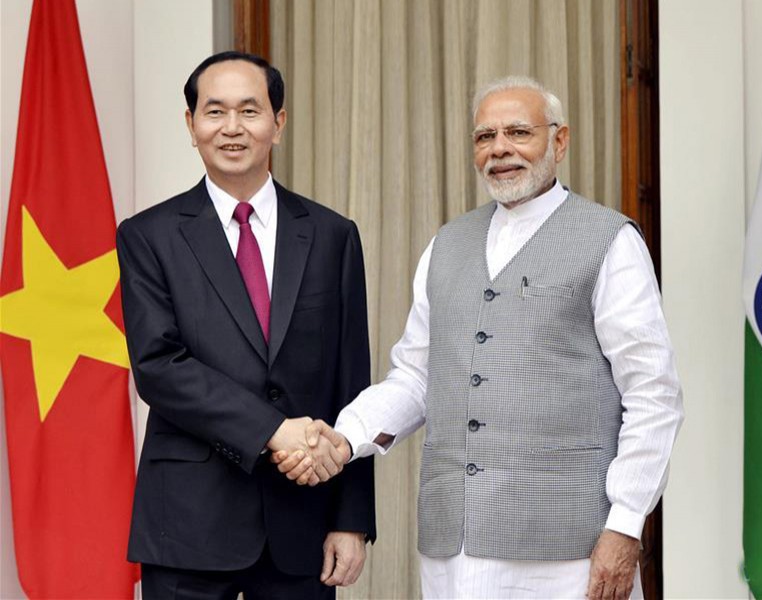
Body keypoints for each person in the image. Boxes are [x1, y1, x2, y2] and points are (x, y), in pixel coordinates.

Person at [278, 75, 683, 599]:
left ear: (559, 141)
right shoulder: (446, 245)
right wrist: (343, 437)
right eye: (484, 136)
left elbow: (653, 394)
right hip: (455, 545)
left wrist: (626, 524)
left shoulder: (611, 242)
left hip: (566, 546)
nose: (500, 150)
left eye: (519, 132)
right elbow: (417, 379)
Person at [116, 51, 375, 599]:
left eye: (250, 111)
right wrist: (272, 430)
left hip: (302, 519)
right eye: (214, 112)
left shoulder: (332, 235)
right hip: (187, 521)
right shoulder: (148, 235)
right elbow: (158, 367)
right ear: (192, 126)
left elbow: (352, 381)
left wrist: (351, 518)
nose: (232, 128)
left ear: (278, 123)